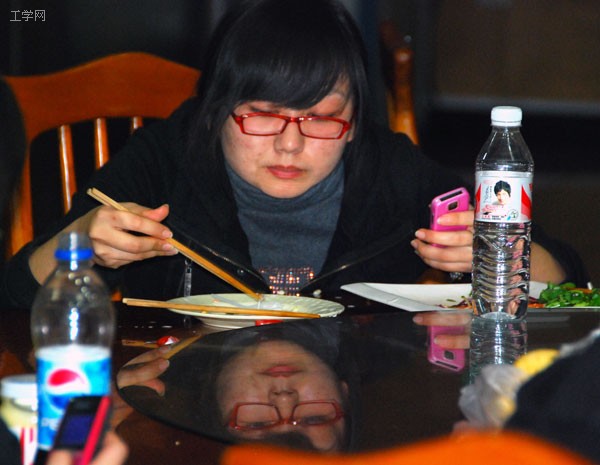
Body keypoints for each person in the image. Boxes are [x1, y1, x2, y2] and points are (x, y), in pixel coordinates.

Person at [0, 0, 587, 309]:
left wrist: (504, 252)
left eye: (322, 118)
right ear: (217, 110)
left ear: (354, 124)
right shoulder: (167, 158)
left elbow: (570, 281)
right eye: (261, 114)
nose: (289, 143)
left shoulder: (388, 169)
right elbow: (15, 295)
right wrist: (82, 243)